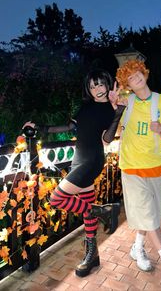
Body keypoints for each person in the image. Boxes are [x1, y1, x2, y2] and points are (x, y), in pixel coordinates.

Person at [22, 69, 125, 277]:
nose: (97, 89)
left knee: (57, 198)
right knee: (87, 213)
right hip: (79, 158)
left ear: (108, 84)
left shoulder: (109, 109)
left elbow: (107, 140)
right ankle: (92, 256)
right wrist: (40, 127)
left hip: (92, 160)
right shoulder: (85, 107)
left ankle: (105, 211)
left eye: (101, 84)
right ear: (88, 88)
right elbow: (68, 127)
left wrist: (119, 111)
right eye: (92, 85)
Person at [115, 59, 161, 284]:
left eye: (136, 72)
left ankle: (137, 248)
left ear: (143, 72)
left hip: (154, 166)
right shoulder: (127, 101)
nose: (134, 77)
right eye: (129, 78)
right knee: (148, 214)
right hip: (131, 166)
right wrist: (111, 102)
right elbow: (113, 110)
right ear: (127, 84)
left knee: (151, 214)